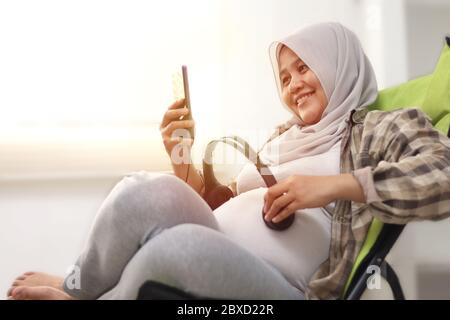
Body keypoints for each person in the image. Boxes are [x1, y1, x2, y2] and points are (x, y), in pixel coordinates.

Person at [7, 22, 450, 300]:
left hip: (289, 286)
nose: (293, 84)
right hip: (222, 245)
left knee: (175, 248)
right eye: (284, 76)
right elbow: (221, 211)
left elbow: (442, 175)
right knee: (146, 190)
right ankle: (76, 288)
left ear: (340, 65)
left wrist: (335, 186)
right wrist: (182, 159)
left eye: (305, 67)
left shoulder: (383, 129)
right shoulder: (282, 139)